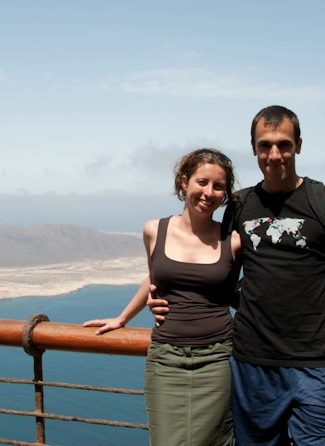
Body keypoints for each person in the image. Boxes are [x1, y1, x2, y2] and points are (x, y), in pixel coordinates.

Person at [149, 106, 325, 446]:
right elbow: (213, 265)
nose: (274, 154)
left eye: (284, 145)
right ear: (253, 148)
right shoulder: (240, 204)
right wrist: (164, 294)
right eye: (265, 145)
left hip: (316, 364)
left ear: (299, 145)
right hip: (252, 365)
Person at [83, 148, 241, 446]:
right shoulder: (155, 230)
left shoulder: (231, 241)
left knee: (214, 441)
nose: (209, 192)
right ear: (184, 182)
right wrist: (123, 317)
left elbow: (229, 293)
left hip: (218, 357)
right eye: (202, 182)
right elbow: (155, 279)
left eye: (218, 186)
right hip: (166, 358)